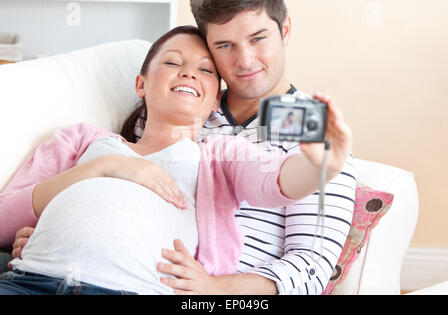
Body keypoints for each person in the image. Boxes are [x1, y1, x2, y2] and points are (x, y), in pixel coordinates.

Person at [0, 26, 352, 295]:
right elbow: (3, 220)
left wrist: (322, 164)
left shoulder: (220, 155)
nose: (188, 73)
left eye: (205, 70)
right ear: (141, 84)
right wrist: (100, 168)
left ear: (216, 101)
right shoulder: (82, 140)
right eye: (172, 62)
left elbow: (274, 183)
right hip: (27, 281)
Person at [133, 0, 357, 295]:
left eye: (258, 38)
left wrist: (213, 289)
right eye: (225, 45)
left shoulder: (313, 136)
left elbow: (311, 268)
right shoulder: (183, 102)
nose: (245, 60)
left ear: (285, 30)